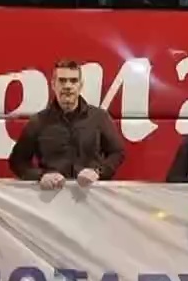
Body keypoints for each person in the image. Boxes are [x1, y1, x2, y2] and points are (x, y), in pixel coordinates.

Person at [9, 58, 126, 188]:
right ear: (53, 84)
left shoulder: (99, 118)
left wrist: (98, 172)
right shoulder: (38, 122)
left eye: (73, 81)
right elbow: (17, 162)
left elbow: (117, 153)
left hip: (92, 201)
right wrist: (40, 175)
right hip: (50, 202)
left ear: (80, 85)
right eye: (62, 81)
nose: (68, 86)